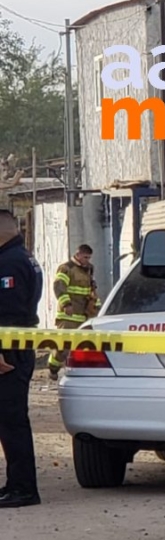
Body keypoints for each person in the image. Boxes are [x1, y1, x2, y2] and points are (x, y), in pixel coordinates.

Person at [0, 210, 44, 508]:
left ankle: (24, 489)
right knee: (9, 420)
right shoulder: (21, 256)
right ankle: (15, 484)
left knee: (12, 420)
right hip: (16, 348)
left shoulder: (10, 262)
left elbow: (9, 314)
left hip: (9, 352)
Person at [48, 244, 100, 380]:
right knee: (63, 347)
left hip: (85, 314)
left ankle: (82, 371)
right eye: (85, 257)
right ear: (78, 255)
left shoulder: (89, 269)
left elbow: (92, 289)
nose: (87, 260)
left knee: (86, 345)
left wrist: (97, 306)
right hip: (68, 315)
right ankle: (53, 368)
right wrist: (66, 304)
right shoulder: (66, 268)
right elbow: (59, 286)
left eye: (89, 258)